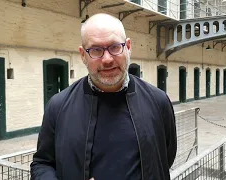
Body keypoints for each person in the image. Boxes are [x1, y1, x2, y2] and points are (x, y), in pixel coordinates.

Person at [30, 13, 177, 180]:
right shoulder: (58, 106)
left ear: (128, 47)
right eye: (96, 50)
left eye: (115, 47)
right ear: (83, 55)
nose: (107, 59)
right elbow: (42, 163)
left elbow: (165, 158)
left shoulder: (158, 102)